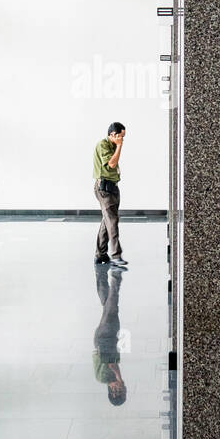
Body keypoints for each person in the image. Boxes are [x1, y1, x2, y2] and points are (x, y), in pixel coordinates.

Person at [92, 121, 128, 268]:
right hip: (104, 189)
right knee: (112, 221)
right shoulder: (103, 145)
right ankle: (116, 256)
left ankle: (100, 254)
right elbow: (112, 164)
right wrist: (119, 146)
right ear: (112, 134)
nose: (122, 140)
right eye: (121, 136)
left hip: (112, 188)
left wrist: (118, 145)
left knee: (107, 222)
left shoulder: (113, 145)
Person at [93, 260, 127, 405]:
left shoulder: (106, 378)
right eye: (121, 391)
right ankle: (100, 269)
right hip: (107, 338)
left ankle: (116, 273)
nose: (118, 389)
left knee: (112, 306)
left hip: (105, 338)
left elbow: (110, 364)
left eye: (117, 391)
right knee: (107, 303)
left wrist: (120, 378)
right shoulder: (103, 379)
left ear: (111, 391)